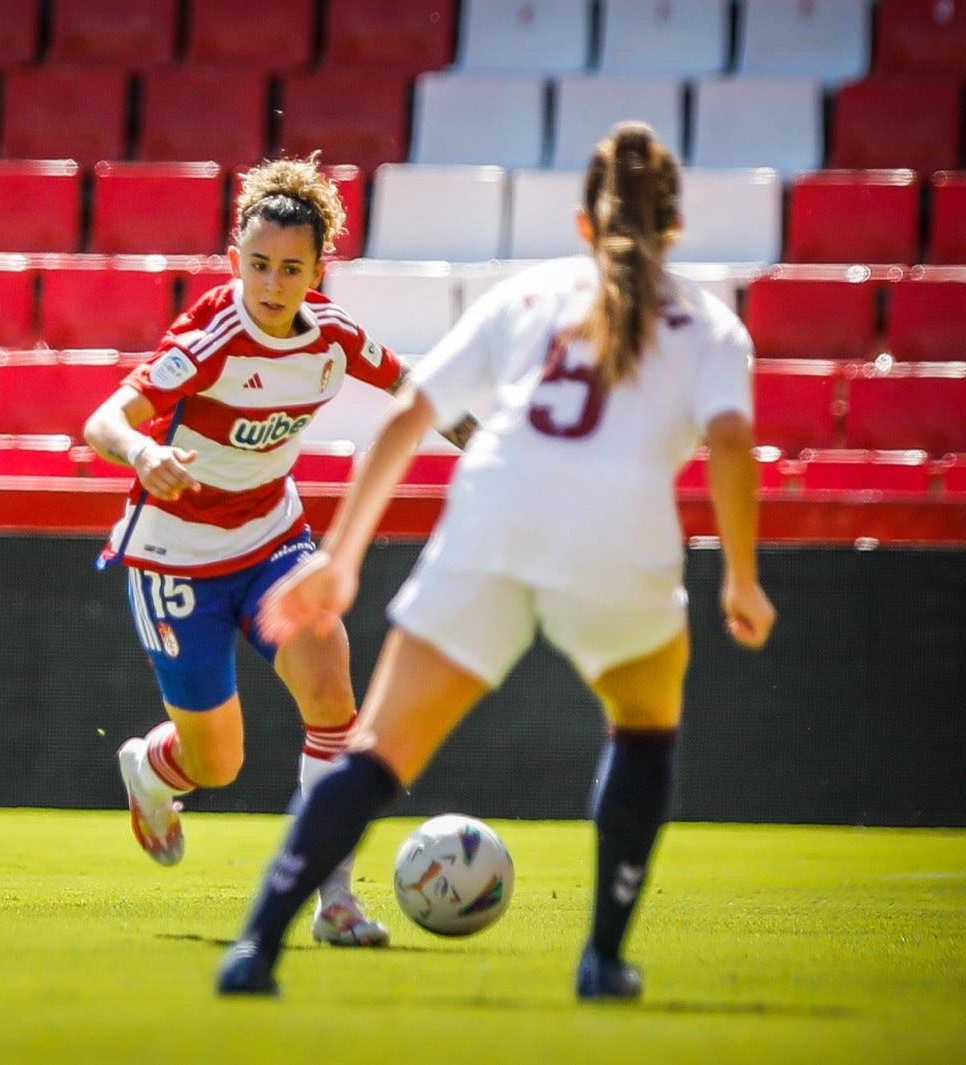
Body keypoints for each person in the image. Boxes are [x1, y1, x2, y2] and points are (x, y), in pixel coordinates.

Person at [216, 122, 777, 997]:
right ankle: (602, 957)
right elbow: (735, 441)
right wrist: (741, 574)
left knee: (376, 750)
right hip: (617, 539)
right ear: (673, 229)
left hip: (493, 519)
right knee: (643, 721)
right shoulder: (707, 323)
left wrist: (341, 556)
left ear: (583, 224)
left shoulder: (529, 295)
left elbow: (407, 419)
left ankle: (255, 947)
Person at [85, 154, 445, 947]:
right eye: (257, 265)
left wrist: (493, 447)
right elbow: (104, 419)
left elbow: (422, 396)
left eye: (291, 268)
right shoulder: (212, 336)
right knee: (219, 763)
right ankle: (150, 768)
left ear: (320, 269)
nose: (272, 284)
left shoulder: (334, 337)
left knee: (331, 694)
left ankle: (335, 900)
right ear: (233, 259)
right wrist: (144, 455)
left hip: (274, 540)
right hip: (177, 558)